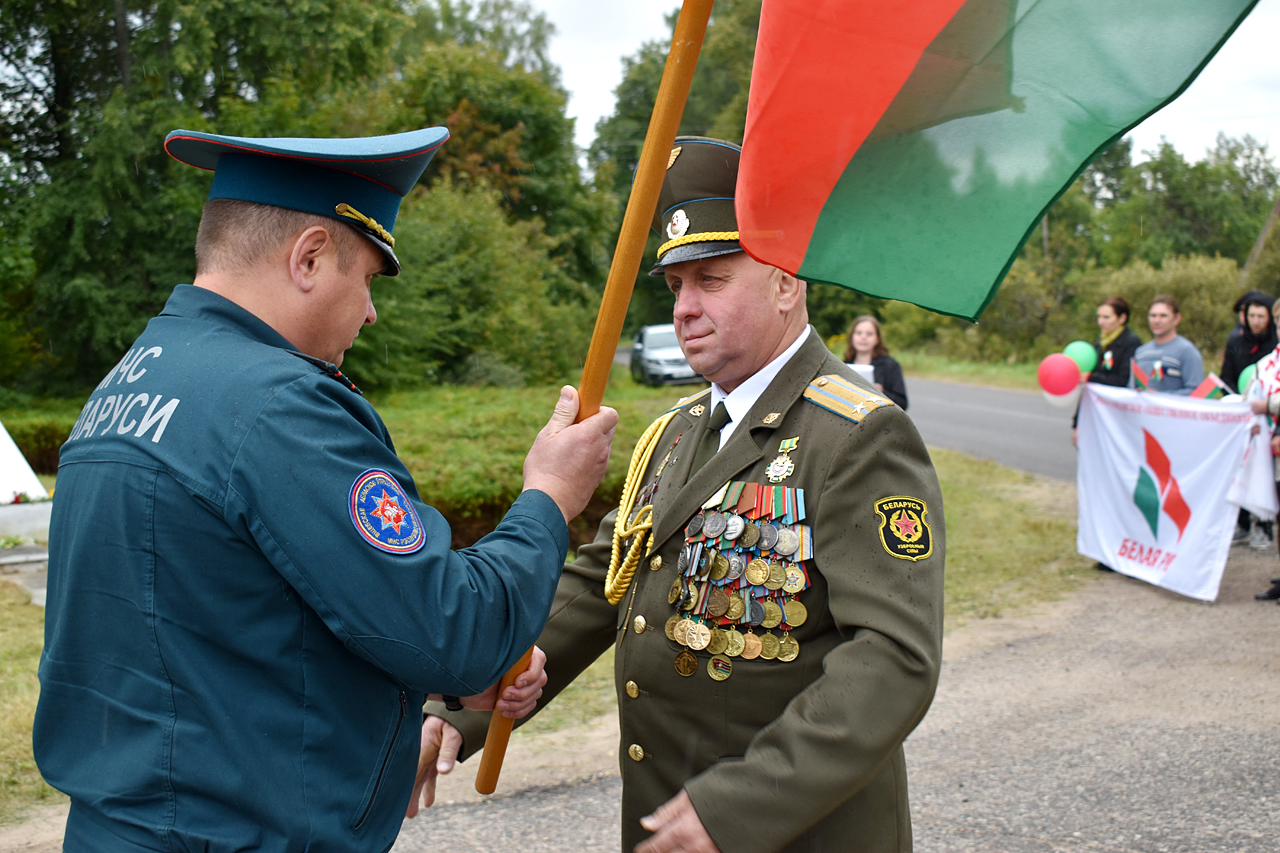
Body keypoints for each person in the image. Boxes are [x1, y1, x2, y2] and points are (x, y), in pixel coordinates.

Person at [33, 128, 618, 852]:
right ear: (309, 257)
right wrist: (549, 497)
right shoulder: (275, 404)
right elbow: (452, 630)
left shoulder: (130, 381)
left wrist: (453, 686)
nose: (371, 311)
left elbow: (232, 620)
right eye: (367, 277)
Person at [411, 137, 945, 853]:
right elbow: (601, 581)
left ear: (786, 280)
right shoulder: (677, 430)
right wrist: (470, 698)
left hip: (791, 830)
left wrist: (742, 805)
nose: (685, 308)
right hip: (667, 821)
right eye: (675, 286)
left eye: (712, 280)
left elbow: (893, 657)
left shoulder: (857, 434)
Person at [1072, 296, 1143, 441]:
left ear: (1122, 318)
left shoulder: (1131, 343)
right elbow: (1089, 389)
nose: (1100, 322)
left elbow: (1122, 380)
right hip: (1095, 413)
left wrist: (1090, 377)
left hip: (1117, 417)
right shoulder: (1100, 343)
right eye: (1099, 317)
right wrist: (1077, 424)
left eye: (1106, 317)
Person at [1129, 295, 1204, 395]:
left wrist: (1160, 397)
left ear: (1177, 318)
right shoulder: (1141, 352)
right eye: (1153, 315)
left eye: (1163, 316)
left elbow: (1197, 393)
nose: (1157, 321)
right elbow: (1131, 388)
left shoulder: (1187, 351)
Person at [843, 314, 908, 409]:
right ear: (852, 337)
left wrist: (882, 392)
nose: (863, 337)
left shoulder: (890, 366)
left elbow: (902, 404)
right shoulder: (843, 365)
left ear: (877, 339)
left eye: (869, 334)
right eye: (859, 333)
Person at [1221, 292, 1276, 394]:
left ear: (1270, 318)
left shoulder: (1276, 346)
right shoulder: (1235, 343)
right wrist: (1240, 399)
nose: (1255, 322)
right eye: (1252, 315)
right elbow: (1226, 378)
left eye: (1261, 316)